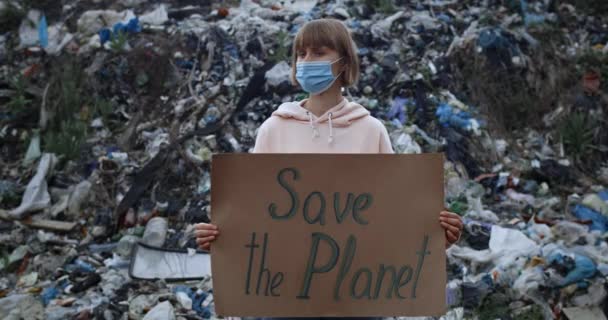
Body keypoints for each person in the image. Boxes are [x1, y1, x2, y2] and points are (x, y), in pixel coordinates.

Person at [195, 18, 463, 319]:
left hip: (357, 294)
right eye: (302, 53)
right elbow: (254, 211)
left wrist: (434, 237)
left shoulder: (371, 131)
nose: (307, 61)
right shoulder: (273, 130)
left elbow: (392, 212)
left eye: (319, 52)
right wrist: (221, 237)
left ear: (343, 62)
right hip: (286, 293)